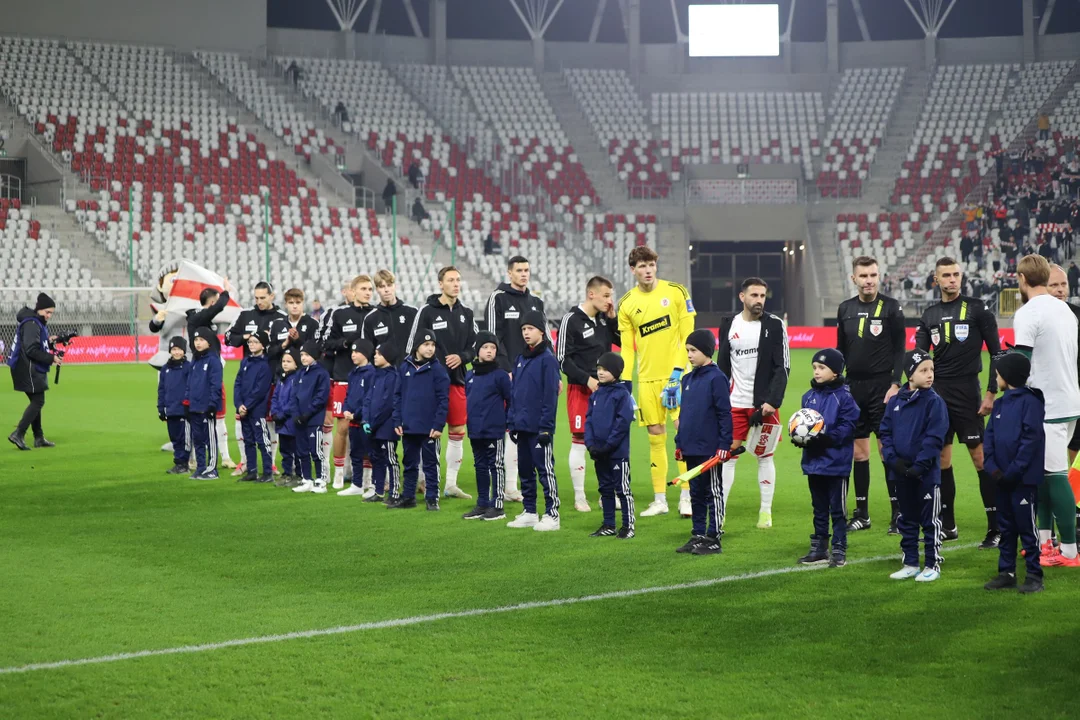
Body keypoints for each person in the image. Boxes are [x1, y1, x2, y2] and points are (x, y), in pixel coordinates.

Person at [914, 257, 1003, 548]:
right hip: (937, 395)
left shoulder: (977, 309)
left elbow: (997, 353)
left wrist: (991, 393)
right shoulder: (929, 314)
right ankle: (948, 525)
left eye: (956, 274)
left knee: (980, 458)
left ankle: (995, 527)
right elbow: (918, 358)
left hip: (968, 394)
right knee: (942, 459)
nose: (952, 280)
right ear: (935, 279)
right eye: (946, 275)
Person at [617, 246, 697, 518]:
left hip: (678, 377)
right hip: (648, 380)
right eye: (642, 266)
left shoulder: (676, 292)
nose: (648, 270)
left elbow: (689, 336)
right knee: (655, 438)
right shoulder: (626, 303)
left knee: (683, 435)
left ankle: (686, 496)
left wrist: (677, 373)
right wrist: (625, 383)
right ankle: (660, 499)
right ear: (633, 270)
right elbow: (628, 349)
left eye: (651, 264)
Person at [1013, 255, 1080, 567]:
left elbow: (1020, 365)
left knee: (1054, 477)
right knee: (1043, 475)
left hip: (1048, 405)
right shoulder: (1065, 310)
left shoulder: (1028, 313)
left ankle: (1069, 551)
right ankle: (1044, 542)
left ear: (1023, 280)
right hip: (1068, 400)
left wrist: (1006, 378)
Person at [835, 256, 907, 533]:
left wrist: (895, 383)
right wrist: (840, 385)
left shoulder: (891, 307)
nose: (869, 280)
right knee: (859, 452)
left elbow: (900, 348)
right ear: (853, 278)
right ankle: (862, 513)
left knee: (886, 451)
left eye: (873, 275)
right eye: (863, 276)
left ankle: (898, 514)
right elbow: (840, 350)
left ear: (879, 276)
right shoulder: (845, 309)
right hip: (853, 388)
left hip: (883, 388)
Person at [717, 277, 790, 529]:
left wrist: (772, 401)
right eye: (754, 295)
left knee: (764, 457)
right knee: (728, 458)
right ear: (742, 297)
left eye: (762, 296)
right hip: (735, 404)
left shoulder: (775, 325)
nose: (759, 300)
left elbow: (783, 367)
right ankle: (720, 511)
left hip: (764, 406)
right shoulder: (728, 324)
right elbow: (722, 366)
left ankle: (765, 512)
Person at [407, 266, 478, 499]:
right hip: (429, 382)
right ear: (440, 284)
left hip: (457, 381)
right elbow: (412, 346)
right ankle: (425, 479)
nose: (456, 284)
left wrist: (463, 357)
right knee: (430, 432)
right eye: (451, 280)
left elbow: (474, 346)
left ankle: (450, 484)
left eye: (458, 280)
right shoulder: (426, 311)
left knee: (458, 430)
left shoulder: (466, 314)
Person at [881, 351, 950, 583]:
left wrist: (920, 466)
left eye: (931, 370)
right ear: (910, 375)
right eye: (923, 370)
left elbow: (935, 438)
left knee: (930, 520)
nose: (930, 375)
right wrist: (895, 462)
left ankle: (932, 564)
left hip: (926, 475)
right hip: (901, 473)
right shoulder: (895, 402)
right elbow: (885, 433)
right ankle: (910, 562)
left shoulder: (934, 402)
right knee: (906, 519)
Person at [983, 353, 1047, 593]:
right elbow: (988, 439)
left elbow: (1030, 440)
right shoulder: (999, 404)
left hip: (1022, 480)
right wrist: (993, 469)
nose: (996, 377)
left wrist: (1013, 472)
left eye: (998, 373)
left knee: (1027, 528)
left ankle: (1034, 575)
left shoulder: (1030, 402)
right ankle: (1006, 572)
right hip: (1001, 479)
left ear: (1007, 376)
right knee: (1006, 527)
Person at [485, 256, 546, 504]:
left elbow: (544, 341)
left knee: (524, 429)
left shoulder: (536, 302)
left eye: (527, 270)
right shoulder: (498, 298)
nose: (524, 274)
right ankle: (504, 485)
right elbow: (491, 336)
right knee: (504, 430)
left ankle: (515, 484)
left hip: (530, 378)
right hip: (505, 375)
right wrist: (504, 368)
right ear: (509, 273)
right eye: (519, 270)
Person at [791, 349, 860, 568]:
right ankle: (819, 548)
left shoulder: (845, 398)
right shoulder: (808, 396)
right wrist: (800, 439)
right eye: (814, 367)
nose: (817, 372)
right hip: (813, 463)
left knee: (838, 509)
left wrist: (825, 439)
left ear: (836, 372)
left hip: (836, 464)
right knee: (818, 507)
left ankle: (839, 548)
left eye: (822, 368)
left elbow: (848, 428)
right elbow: (802, 426)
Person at [558, 276, 621, 513]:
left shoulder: (605, 319)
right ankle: (579, 496)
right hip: (581, 390)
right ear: (591, 294)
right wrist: (588, 380)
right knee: (580, 441)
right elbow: (563, 360)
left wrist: (613, 319)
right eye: (606, 296)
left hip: (606, 391)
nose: (609, 300)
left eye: (611, 296)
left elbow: (622, 341)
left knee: (607, 442)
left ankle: (607, 494)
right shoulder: (571, 320)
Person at [673, 329, 734, 556]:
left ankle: (714, 537)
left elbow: (724, 414)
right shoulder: (687, 379)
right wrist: (679, 443)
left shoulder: (716, 378)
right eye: (687, 350)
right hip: (690, 447)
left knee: (713, 492)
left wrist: (724, 445)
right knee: (695, 493)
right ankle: (698, 534)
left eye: (693, 350)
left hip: (710, 449)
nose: (689, 355)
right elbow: (684, 415)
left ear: (707, 352)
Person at [506, 311, 562, 531]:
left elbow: (550, 396)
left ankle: (552, 514)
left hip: (539, 428)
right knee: (526, 470)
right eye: (523, 329)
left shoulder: (547, 359)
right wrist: (512, 421)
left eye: (530, 329)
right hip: (522, 426)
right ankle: (530, 511)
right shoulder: (519, 359)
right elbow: (515, 392)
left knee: (545, 469)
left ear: (541, 330)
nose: (526, 333)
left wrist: (547, 427)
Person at [225, 282, 285, 476]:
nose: (259, 302)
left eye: (263, 298)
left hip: (274, 377)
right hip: (249, 374)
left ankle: (271, 464)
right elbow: (228, 337)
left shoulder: (280, 318)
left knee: (271, 422)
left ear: (272, 296)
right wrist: (247, 336)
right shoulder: (245, 315)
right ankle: (246, 463)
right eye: (256, 298)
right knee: (243, 421)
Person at [322, 275, 375, 489]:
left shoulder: (376, 314)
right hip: (344, 378)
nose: (368, 292)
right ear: (352, 291)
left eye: (370, 289)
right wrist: (345, 342)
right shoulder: (340, 314)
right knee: (343, 427)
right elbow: (326, 342)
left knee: (369, 427)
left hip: (370, 377)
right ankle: (338, 473)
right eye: (363, 288)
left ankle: (367, 477)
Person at [391, 331, 450, 511]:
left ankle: (432, 498)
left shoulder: (438, 370)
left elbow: (443, 400)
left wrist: (438, 424)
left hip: (429, 428)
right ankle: (408, 497)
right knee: (409, 463)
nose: (430, 348)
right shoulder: (405, 367)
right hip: (409, 426)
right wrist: (397, 420)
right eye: (426, 345)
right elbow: (397, 396)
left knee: (431, 464)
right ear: (417, 346)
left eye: (433, 345)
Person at [186, 279, 238, 469]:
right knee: (198, 417)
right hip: (201, 375)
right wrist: (226, 292)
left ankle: (224, 456)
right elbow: (217, 308)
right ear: (212, 301)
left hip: (214, 374)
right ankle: (192, 456)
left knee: (219, 416)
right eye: (216, 300)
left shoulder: (205, 321)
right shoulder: (197, 317)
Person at [585, 351, 637, 539]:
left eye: (605, 369)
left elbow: (622, 423)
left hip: (616, 453)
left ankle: (628, 525)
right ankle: (608, 524)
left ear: (616, 371)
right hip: (599, 452)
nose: (600, 372)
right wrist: (590, 444)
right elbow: (588, 419)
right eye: (599, 368)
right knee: (605, 489)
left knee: (622, 489)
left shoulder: (622, 394)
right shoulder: (596, 394)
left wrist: (608, 446)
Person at [463, 332, 513, 521]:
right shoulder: (469, 375)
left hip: (494, 430)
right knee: (480, 466)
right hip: (475, 429)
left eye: (493, 348)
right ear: (478, 350)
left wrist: (507, 423)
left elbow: (510, 400)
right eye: (486, 347)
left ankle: (498, 505)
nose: (490, 351)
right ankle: (483, 503)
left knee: (496, 465)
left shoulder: (500, 376)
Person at [7, 293, 60, 450]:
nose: (49, 316)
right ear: (39, 310)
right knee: (38, 401)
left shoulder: (34, 322)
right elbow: (31, 349)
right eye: (47, 312)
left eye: (51, 313)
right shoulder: (32, 323)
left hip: (24, 366)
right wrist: (51, 358)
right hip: (27, 367)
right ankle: (18, 433)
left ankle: (38, 437)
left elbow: (36, 344)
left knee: (36, 401)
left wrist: (49, 342)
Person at [1047, 264, 1080, 465]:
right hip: (1050, 399)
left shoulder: (1078, 315)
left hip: (1076, 392)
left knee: (1075, 448)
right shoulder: (1034, 317)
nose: (1060, 289)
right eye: (1054, 285)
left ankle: (1076, 495)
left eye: (1063, 284)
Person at [363, 342, 402, 503]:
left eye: (379, 354)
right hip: (372, 426)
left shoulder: (393, 376)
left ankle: (394, 492)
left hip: (386, 426)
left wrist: (374, 423)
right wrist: (365, 420)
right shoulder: (373, 375)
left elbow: (388, 404)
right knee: (376, 458)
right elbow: (367, 399)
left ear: (388, 356)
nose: (375, 356)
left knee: (390, 459)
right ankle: (378, 491)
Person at [291, 341, 332, 495]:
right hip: (299, 419)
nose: (303, 358)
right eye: (301, 355)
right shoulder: (300, 373)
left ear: (314, 355)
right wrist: (296, 414)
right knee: (302, 451)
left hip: (313, 419)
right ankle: (307, 479)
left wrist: (307, 414)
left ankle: (321, 481)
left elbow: (321, 397)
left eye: (307, 355)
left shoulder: (321, 373)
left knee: (316, 451)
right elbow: (293, 396)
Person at [234, 331, 274, 484]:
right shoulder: (245, 362)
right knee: (248, 440)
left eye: (255, 342)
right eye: (250, 342)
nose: (251, 344)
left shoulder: (265, 365)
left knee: (262, 440)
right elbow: (237, 383)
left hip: (257, 409)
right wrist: (239, 405)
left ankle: (268, 472)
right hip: (244, 409)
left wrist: (247, 405)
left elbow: (260, 390)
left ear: (263, 345)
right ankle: (251, 471)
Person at [360, 269, 418, 369]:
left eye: (389, 285)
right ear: (377, 289)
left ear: (395, 286)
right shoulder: (371, 318)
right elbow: (367, 351)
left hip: (410, 373)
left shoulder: (412, 312)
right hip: (384, 376)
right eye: (382, 286)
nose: (386, 290)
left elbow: (421, 344)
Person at [187, 327, 223, 481]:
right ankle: (201, 467)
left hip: (206, 407)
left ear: (209, 342)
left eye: (201, 340)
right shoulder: (194, 360)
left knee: (210, 438)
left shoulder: (214, 360)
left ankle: (212, 468)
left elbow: (216, 385)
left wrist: (212, 405)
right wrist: (186, 402)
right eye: (196, 340)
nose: (198, 343)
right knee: (198, 438)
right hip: (194, 406)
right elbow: (189, 383)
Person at [339, 339, 375, 497]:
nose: (353, 355)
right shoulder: (353, 373)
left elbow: (370, 398)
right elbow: (348, 396)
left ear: (366, 354)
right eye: (352, 352)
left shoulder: (372, 373)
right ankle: (357, 484)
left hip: (365, 420)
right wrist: (346, 410)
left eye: (356, 352)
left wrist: (357, 414)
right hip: (352, 420)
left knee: (373, 453)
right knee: (355, 452)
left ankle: (375, 485)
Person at [158, 337, 191, 474]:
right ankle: (179, 464)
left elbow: (191, 387)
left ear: (184, 351)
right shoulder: (165, 369)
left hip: (183, 410)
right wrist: (161, 408)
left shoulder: (189, 367)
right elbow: (161, 390)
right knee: (174, 438)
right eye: (174, 349)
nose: (176, 352)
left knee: (184, 438)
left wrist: (188, 405)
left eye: (179, 349)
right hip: (171, 410)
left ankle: (183, 464)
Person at [270, 348, 300, 488]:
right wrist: (274, 412)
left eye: (289, 361)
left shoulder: (296, 379)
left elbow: (294, 401)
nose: (285, 364)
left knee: (296, 449)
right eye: (283, 361)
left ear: (296, 364)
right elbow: (275, 397)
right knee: (285, 450)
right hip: (281, 422)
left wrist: (282, 415)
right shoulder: (282, 379)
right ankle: (287, 473)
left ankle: (298, 474)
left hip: (290, 421)